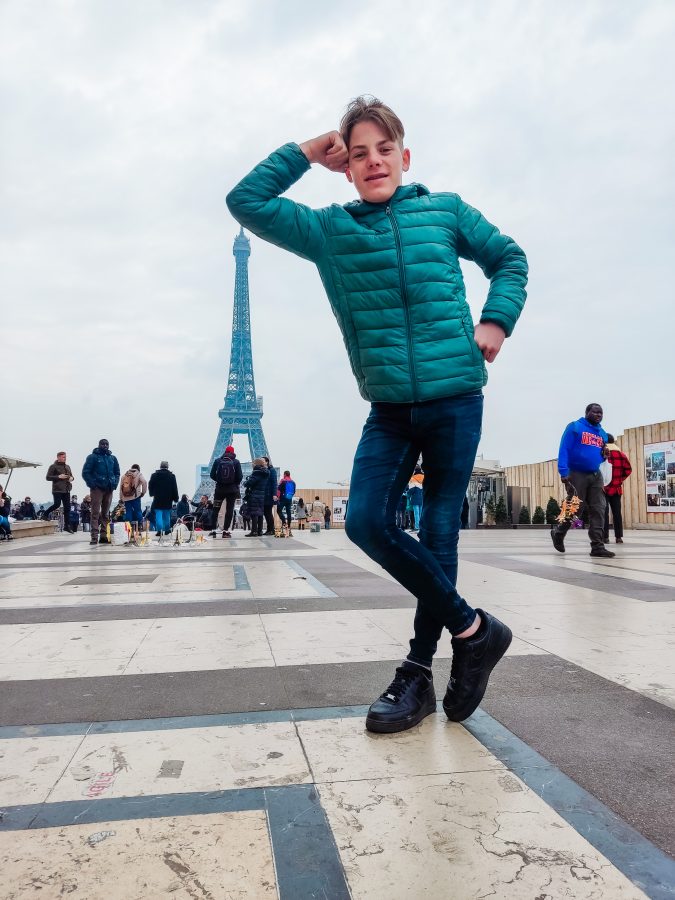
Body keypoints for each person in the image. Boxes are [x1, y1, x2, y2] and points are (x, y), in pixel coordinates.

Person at [226, 95, 527, 734]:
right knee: (364, 520)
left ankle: (417, 673)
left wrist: (496, 319)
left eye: (383, 149)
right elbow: (245, 202)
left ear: (404, 155)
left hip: (454, 396)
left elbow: (510, 258)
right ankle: (475, 632)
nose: (372, 162)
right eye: (358, 153)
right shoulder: (331, 231)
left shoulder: (444, 212)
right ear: (347, 165)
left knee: (441, 531)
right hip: (389, 408)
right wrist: (310, 150)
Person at [550, 403, 614, 558]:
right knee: (575, 508)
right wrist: (563, 472)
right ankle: (558, 533)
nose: (598, 415)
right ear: (587, 413)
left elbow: (600, 452)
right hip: (576, 473)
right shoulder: (575, 427)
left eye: (601, 413)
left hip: (595, 474)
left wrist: (603, 455)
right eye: (595, 412)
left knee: (599, 508)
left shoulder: (602, 433)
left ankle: (597, 546)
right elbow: (564, 448)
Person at [82, 440, 120, 545]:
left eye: (107, 444)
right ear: (99, 445)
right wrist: (92, 484)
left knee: (106, 514)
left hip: (109, 488)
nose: (105, 446)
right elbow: (86, 472)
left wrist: (115, 483)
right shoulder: (92, 457)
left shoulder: (112, 458)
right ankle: (94, 537)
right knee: (95, 513)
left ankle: (104, 536)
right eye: (103, 444)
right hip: (97, 488)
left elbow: (117, 472)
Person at [603, 434, 632, 544]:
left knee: (604, 513)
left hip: (603, 489)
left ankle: (605, 537)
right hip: (616, 489)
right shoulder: (621, 455)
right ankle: (618, 537)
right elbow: (628, 470)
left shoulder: (602, 454)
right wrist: (620, 479)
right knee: (617, 513)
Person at [210, 445, 243, 538]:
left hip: (219, 490)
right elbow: (240, 477)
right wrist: (234, 483)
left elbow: (212, 474)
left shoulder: (217, 461)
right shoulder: (236, 462)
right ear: (233, 452)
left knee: (215, 509)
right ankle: (225, 531)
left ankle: (213, 530)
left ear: (225, 451)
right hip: (231, 491)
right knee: (229, 510)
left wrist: (219, 480)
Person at [44, 451, 75, 533]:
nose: (65, 458)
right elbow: (48, 477)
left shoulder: (68, 467)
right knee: (57, 504)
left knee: (67, 508)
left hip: (67, 489)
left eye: (65, 457)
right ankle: (45, 514)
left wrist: (71, 478)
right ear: (58, 457)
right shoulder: (53, 466)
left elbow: (72, 476)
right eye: (63, 457)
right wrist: (58, 476)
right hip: (57, 489)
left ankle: (67, 526)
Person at [148, 461, 179, 538]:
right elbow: (174, 488)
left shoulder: (154, 475)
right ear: (167, 467)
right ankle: (167, 529)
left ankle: (159, 530)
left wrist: (152, 493)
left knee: (158, 515)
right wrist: (176, 498)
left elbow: (150, 485)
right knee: (166, 515)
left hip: (157, 498)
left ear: (160, 466)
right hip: (168, 498)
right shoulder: (172, 476)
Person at [119, 464, 147, 536]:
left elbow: (121, 487)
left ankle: (128, 529)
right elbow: (144, 482)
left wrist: (121, 498)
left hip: (126, 497)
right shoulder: (138, 474)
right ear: (138, 469)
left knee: (128, 512)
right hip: (135, 497)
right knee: (138, 511)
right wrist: (143, 492)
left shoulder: (125, 475)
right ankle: (140, 527)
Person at [243, 459, 268, 536]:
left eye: (253, 463)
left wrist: (245, 482)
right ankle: (259, 531)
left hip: (254, 495)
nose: (252, 465)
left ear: (256, 464)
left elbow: (249, 483)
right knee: (260, 513)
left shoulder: (256, 473)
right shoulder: (265, 473)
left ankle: (254, 531)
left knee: (254, 513)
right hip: (261, 495)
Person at [262, 456, 277, 535]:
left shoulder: (272, 470)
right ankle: (269, 529)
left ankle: (271, 529)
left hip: (269, 495)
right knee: (266, 512)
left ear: (266, 462)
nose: (261, 462)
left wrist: (274, 494)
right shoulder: (264, 470)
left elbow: (274, 483)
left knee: (268, 512)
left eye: (263, 461)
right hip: (264, 495)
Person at [407, 465, 424, 533]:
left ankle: (417, 527)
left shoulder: (413, 478)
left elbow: (411, 490)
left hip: (415, 498)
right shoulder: (424, 477)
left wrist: (408, 495)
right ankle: (421, 527)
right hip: (422, 498)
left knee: (416, 514)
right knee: (420, 513)